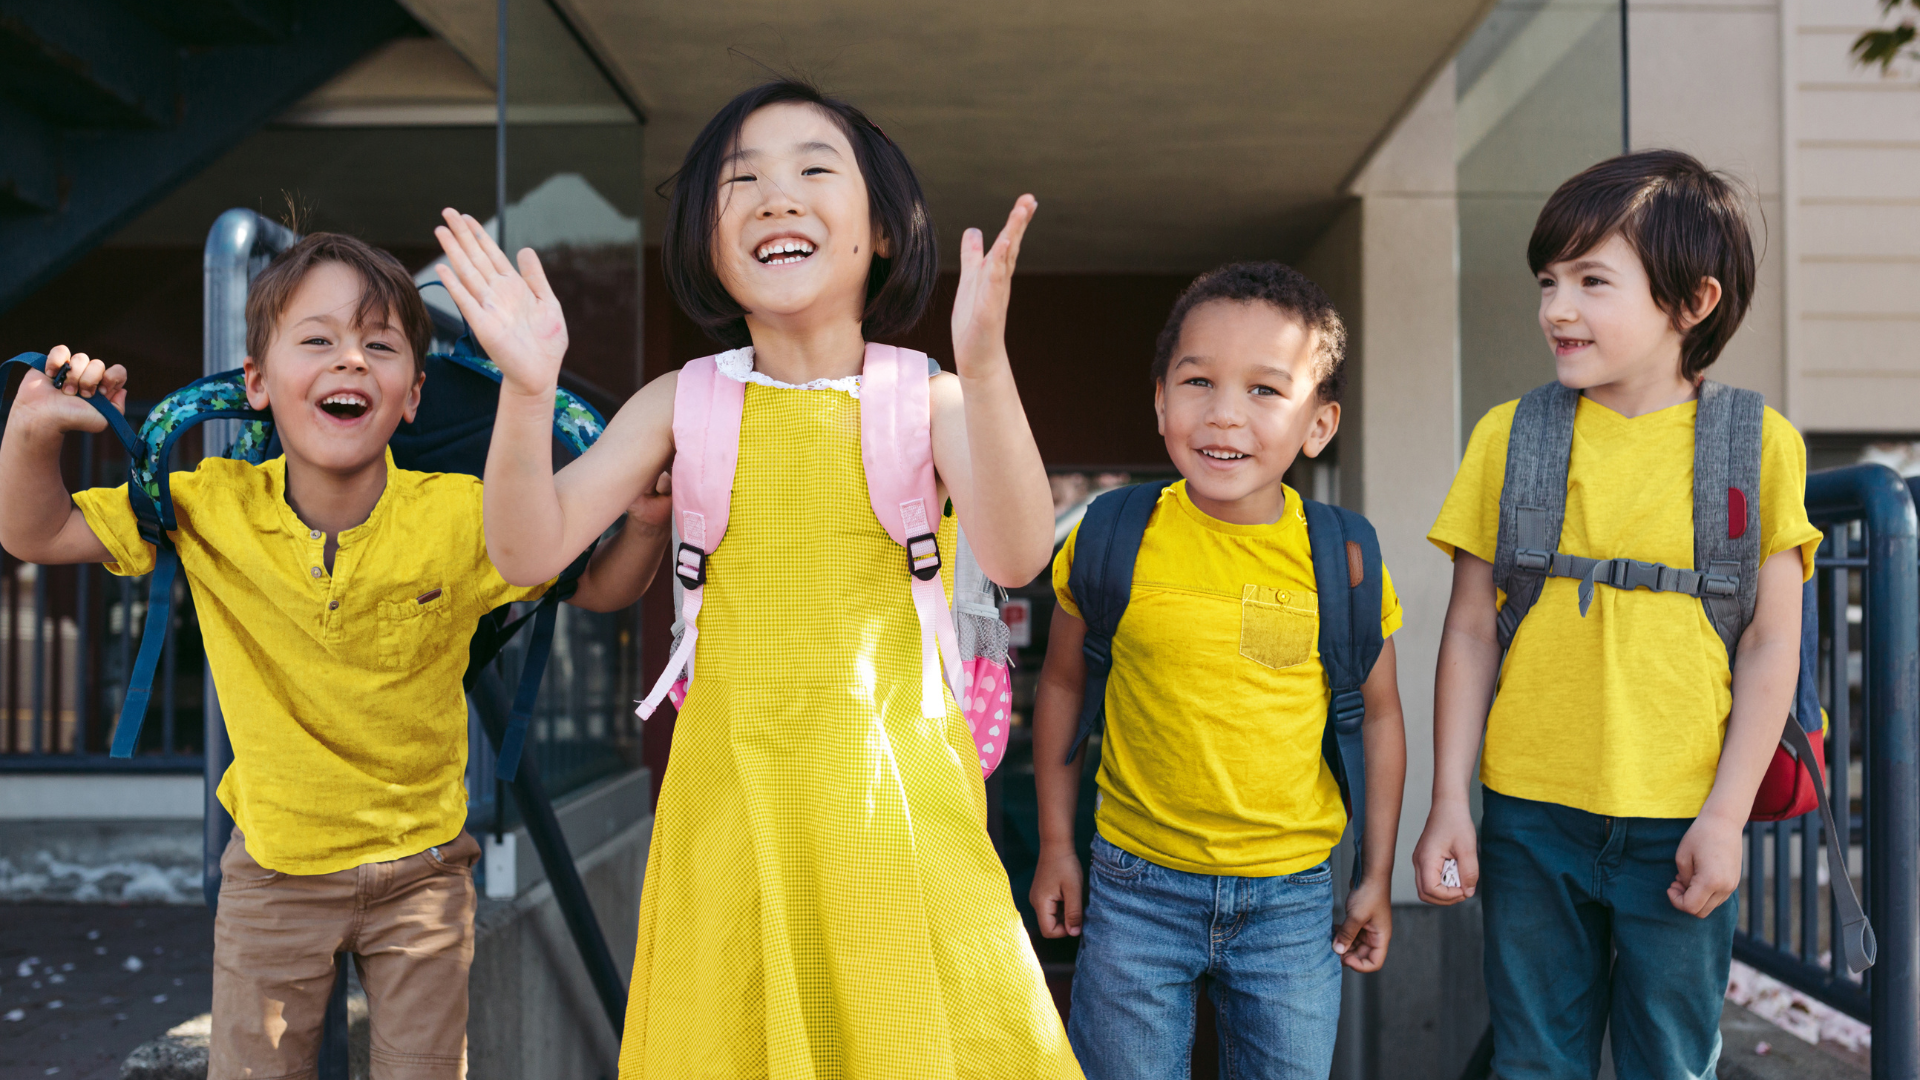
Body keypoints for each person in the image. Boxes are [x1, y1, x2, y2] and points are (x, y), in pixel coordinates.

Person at [430, 79, 1079, 1078]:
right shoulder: (678, 403)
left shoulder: (931, 397)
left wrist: (987, 373)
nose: (777, 196)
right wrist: (528, 389)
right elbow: (528, 551)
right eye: (742, 182)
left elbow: (1018, 553)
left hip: (896, 816)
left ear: (886, 232)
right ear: (707, 243)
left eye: (814, 170)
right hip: (733, 818)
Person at [0, 232, 668, 1078]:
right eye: (317, 340)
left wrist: (645, 525)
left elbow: (599, 587)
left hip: (425, 874)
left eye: (379, 345)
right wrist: (30, 435)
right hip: (274, 873)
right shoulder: (209, 504)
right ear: (257, 382)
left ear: (413, 394)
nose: (350, 360)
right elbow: (35, 530)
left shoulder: (466, 516)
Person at [1411, 150, 1823, 1080]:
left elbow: (1771, 644)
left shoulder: (1759, 445)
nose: (1558, 307)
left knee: (1670, 1063)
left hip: (1682, 815)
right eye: (1549, 281)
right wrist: (1449, 802)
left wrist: (1724, 817)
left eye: (1593, 281)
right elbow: (1472, 627)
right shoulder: (1509, 436)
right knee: (1533, 1062)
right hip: (1528, 814)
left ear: (1694, 301)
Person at [1027, 262, 1408, 1080]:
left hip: (1293, 901)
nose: (1224, 413)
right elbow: (1061, 684)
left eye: (1266, 391)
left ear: (1319, 423)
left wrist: (1375, 875)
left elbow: (1378, 716)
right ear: (1161, 399)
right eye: (1198, 381)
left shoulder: (1341, 557)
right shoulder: (1109, 534)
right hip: (1134, 890)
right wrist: (1058, 842)